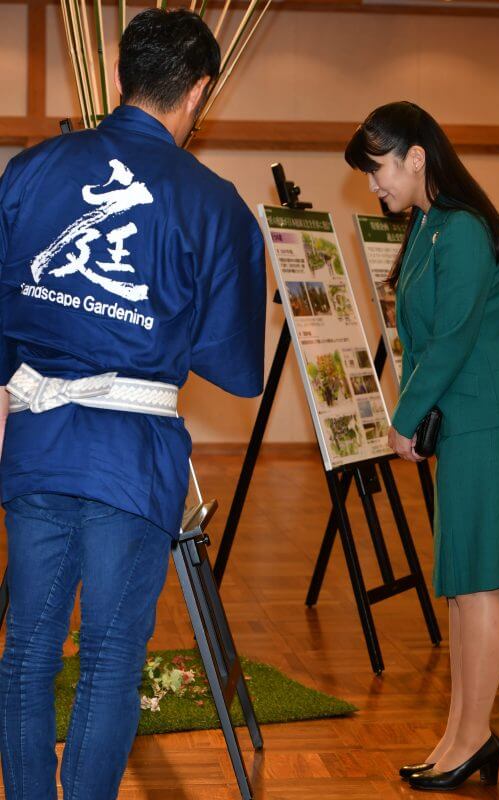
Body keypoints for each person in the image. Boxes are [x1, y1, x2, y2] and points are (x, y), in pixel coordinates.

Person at [0, 9, 266, 799]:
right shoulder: (215, 204)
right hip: (131, 457)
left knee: (27, 652)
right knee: (111, 660)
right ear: (201, 93)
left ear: (118, 76)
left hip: (39, 440)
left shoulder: (30, 170)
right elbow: (237, 369)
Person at [345, 101, 499, 792]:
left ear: (415, 157)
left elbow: (454, 334)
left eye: (377, 170)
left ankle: (474, 735)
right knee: (462, 585)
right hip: (466, 422)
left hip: (493, 421)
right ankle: (459, 734)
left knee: (481, 582)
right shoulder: (429, 224)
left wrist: (402, 418)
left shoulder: (460, 228)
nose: (374, 185)